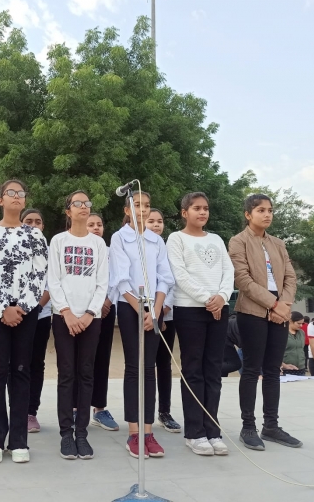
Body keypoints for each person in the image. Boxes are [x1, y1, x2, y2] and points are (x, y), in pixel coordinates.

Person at [0, 179, 48, 464]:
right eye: (10, 193)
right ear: (0, 200)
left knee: (21, 370)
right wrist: (3, 308)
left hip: (26, 311)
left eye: (21, 193)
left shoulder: (35, 235)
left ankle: (18, 440)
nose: (16, 197)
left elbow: (39, 274)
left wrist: (22, 307)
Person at [228, 194, 301, 451]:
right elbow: (242, 279)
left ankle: (271, 426)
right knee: (251, 370)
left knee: (272, 370)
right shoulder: (238, 241)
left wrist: (284, 305)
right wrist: (272, 304)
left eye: (270, 210)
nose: (267, 214)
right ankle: (248, 426)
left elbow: (290, 277)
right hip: (252, 312)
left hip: (280, 313)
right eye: (261, 210)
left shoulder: (278, 244)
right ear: (248, 214)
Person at [109, 190, 174, 459]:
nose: (143, 210)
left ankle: (148, 432)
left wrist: (155, 311)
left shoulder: (156, 240)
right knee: (134, 368)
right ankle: (134, 433)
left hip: (154, 308)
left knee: (150, 369)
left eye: (146, 205)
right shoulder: (119, 238)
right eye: (137, 205)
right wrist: (141, 311)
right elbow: (121, 278)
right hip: (130, 306)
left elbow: (165, 277)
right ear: (127, 210)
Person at [167, 192, 233, 456]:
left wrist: (222, 297)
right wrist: (208, 298)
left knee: (213, 369)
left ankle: (213, 430)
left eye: (205, 208)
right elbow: (180, 274)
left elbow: (228, 270)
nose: (202, 212)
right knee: (193, 370)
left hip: (219, 309)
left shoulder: (216, 239)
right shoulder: (176, 238)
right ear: (185, 212)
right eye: (196, 208)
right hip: (190, 309)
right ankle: (195, 433)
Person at [48, 190, 108, 460]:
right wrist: (67, 313)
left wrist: (89, 314)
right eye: (77, 203)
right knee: (67, 374)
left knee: (86, 374)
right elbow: (54, 280)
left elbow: (102, 282)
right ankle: (65, 434)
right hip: (64, 318)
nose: (84, 206)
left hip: (90, 318)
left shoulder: (99, 244)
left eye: (87, 203)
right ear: (68, 211)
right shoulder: (58, 241)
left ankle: (81, 433)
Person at [146, 208, 182, 434]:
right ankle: (143, 413)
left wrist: (163, 310)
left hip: (166, 314)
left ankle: (164, 412)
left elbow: (172, 281)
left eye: (159, 221)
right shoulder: (139, 248)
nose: (156, 225)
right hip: (144, 315)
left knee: (164, 364)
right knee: (144, 366)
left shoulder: (168, 249)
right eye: (151, 221)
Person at [86, 213, 120, 431]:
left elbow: (117, 278)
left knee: (102, 358)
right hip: (82, 311)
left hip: (106, 309)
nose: (96, 228)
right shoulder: (77, 248)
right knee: (80, 360)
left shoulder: (111, 252)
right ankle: (76, 407)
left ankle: (99, 409)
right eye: (91, 224)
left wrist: (107, 301)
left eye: (99, 224)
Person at [20, 208, 52, 433]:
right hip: (16, 315)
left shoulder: (50, 250)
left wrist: (36, 307)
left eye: (37, 222)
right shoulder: (12, 246)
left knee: (36, 363)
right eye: (28, 221)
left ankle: (31, 412)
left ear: (43, 226)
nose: (33, 225)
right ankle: (16, 409)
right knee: (16, 363)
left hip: (41, 314)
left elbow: (52, 283)